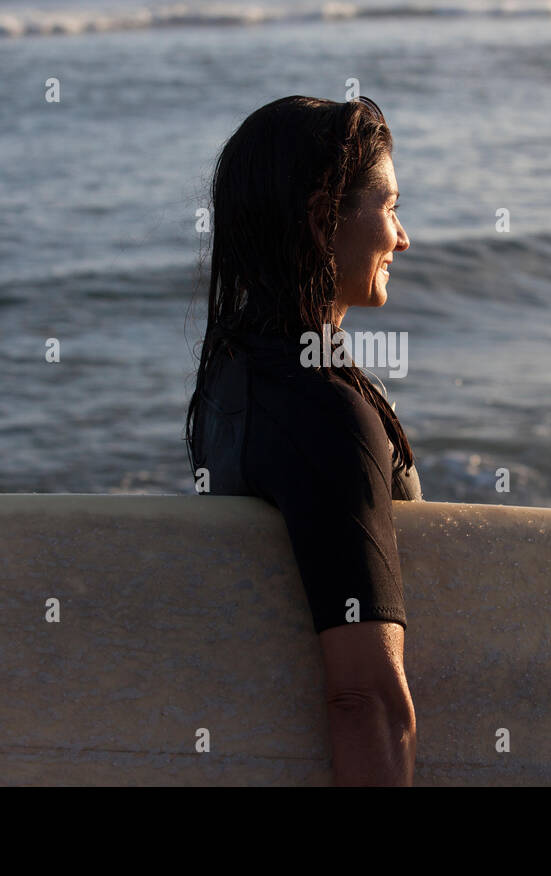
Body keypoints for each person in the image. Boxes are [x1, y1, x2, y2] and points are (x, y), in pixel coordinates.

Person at [186, 95, 420, 786]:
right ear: (324, 220)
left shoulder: (233, 382)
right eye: (390, 207)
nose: (402, 238)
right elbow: (366, 700)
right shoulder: (321, 411)